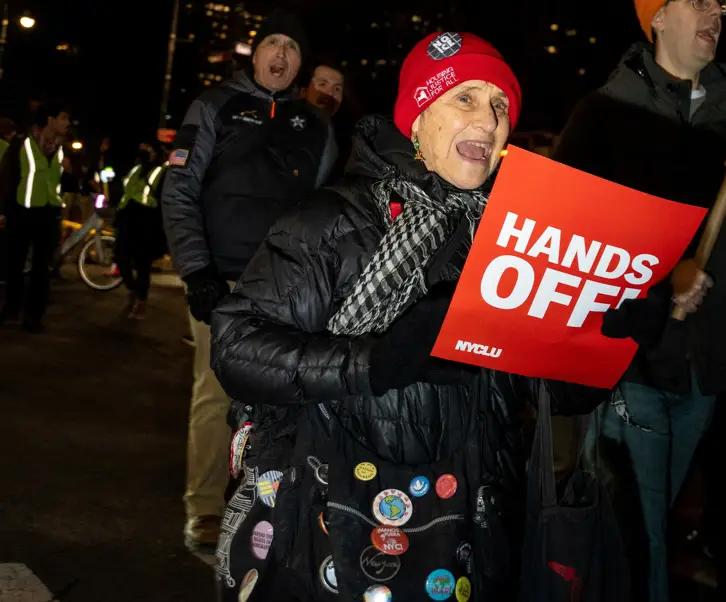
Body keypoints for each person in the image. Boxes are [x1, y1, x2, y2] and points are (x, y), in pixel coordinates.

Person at [209, 32, 606, 601]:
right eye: (464, 99)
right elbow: (237, 348)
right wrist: (376, 362)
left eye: (500, 107)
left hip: (464, 530)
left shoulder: (514, 244)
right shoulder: (334, 220)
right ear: (417, 119)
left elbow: (546, 389)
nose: (489, 121)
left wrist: (600, 347)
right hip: (326, 519)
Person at [554, 1, 726, 600]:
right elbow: (566, 238)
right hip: (629, 360)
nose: (716, 11)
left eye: (722, 3)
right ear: (656, 16)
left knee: (650, 527)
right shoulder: (605, 112)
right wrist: (661, 282)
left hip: (702, 365)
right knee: (641, 539)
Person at [162, 8, 337, 557]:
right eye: (273, 44)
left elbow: (329, 210)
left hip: (287, 293)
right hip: (223, 286)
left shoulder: (319, 127)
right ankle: (206, 508)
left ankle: (267, 509)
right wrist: (197, 273)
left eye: (292, 48)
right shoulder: (215, 106)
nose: (281, 55)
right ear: (255, 52)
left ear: (301, 65)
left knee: (282, 404)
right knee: (216, 398)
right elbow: (179, 191)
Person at [0, 102, 71, 333]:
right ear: (50, 120)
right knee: (14, 265)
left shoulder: (62, 149)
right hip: (21, 213)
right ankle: (11, 311)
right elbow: (7, 178)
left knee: (41, 269)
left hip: (48, 216)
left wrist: (72, 173)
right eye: (64, 118)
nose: (67, 123)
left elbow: (67, 183)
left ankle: (33, 317)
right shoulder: (22, 144)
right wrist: (4, 211)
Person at [115, 142, 169, 319]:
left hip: (146, 221)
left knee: (142, 264)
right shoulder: (136, 169)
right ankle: (133, 288)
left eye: (150, 149)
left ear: (157, 153)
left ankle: (141, 301)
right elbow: (123, 187)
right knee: (121, 259)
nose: (146, 152)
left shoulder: (162, 171)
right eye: (144, 149)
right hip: (127, 217)